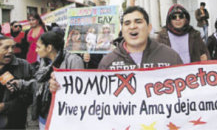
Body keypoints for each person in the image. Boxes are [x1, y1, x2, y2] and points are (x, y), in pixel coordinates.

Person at [49, 6, 183, 92]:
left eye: (138, 22)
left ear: (149, 28)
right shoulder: (108, 62)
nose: (132, 27)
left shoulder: (171, 57)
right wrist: (63, 87)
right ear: (122, 30)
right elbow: (94, 97)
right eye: (127, 23)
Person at [32, 31, 84, 129]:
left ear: (49, 48)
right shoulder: (44, 62)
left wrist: (59, 86)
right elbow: (37, 83)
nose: (36, 50)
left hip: (64, 117)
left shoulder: (73, 61)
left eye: (39, 47)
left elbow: (79, 90)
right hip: (44, 114)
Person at [0, 35, 33, 129]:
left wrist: (5, 106)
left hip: (15, 121)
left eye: (12, 47)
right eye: (6, 48)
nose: (10, 51)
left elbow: (30, 94)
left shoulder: (23, 66)